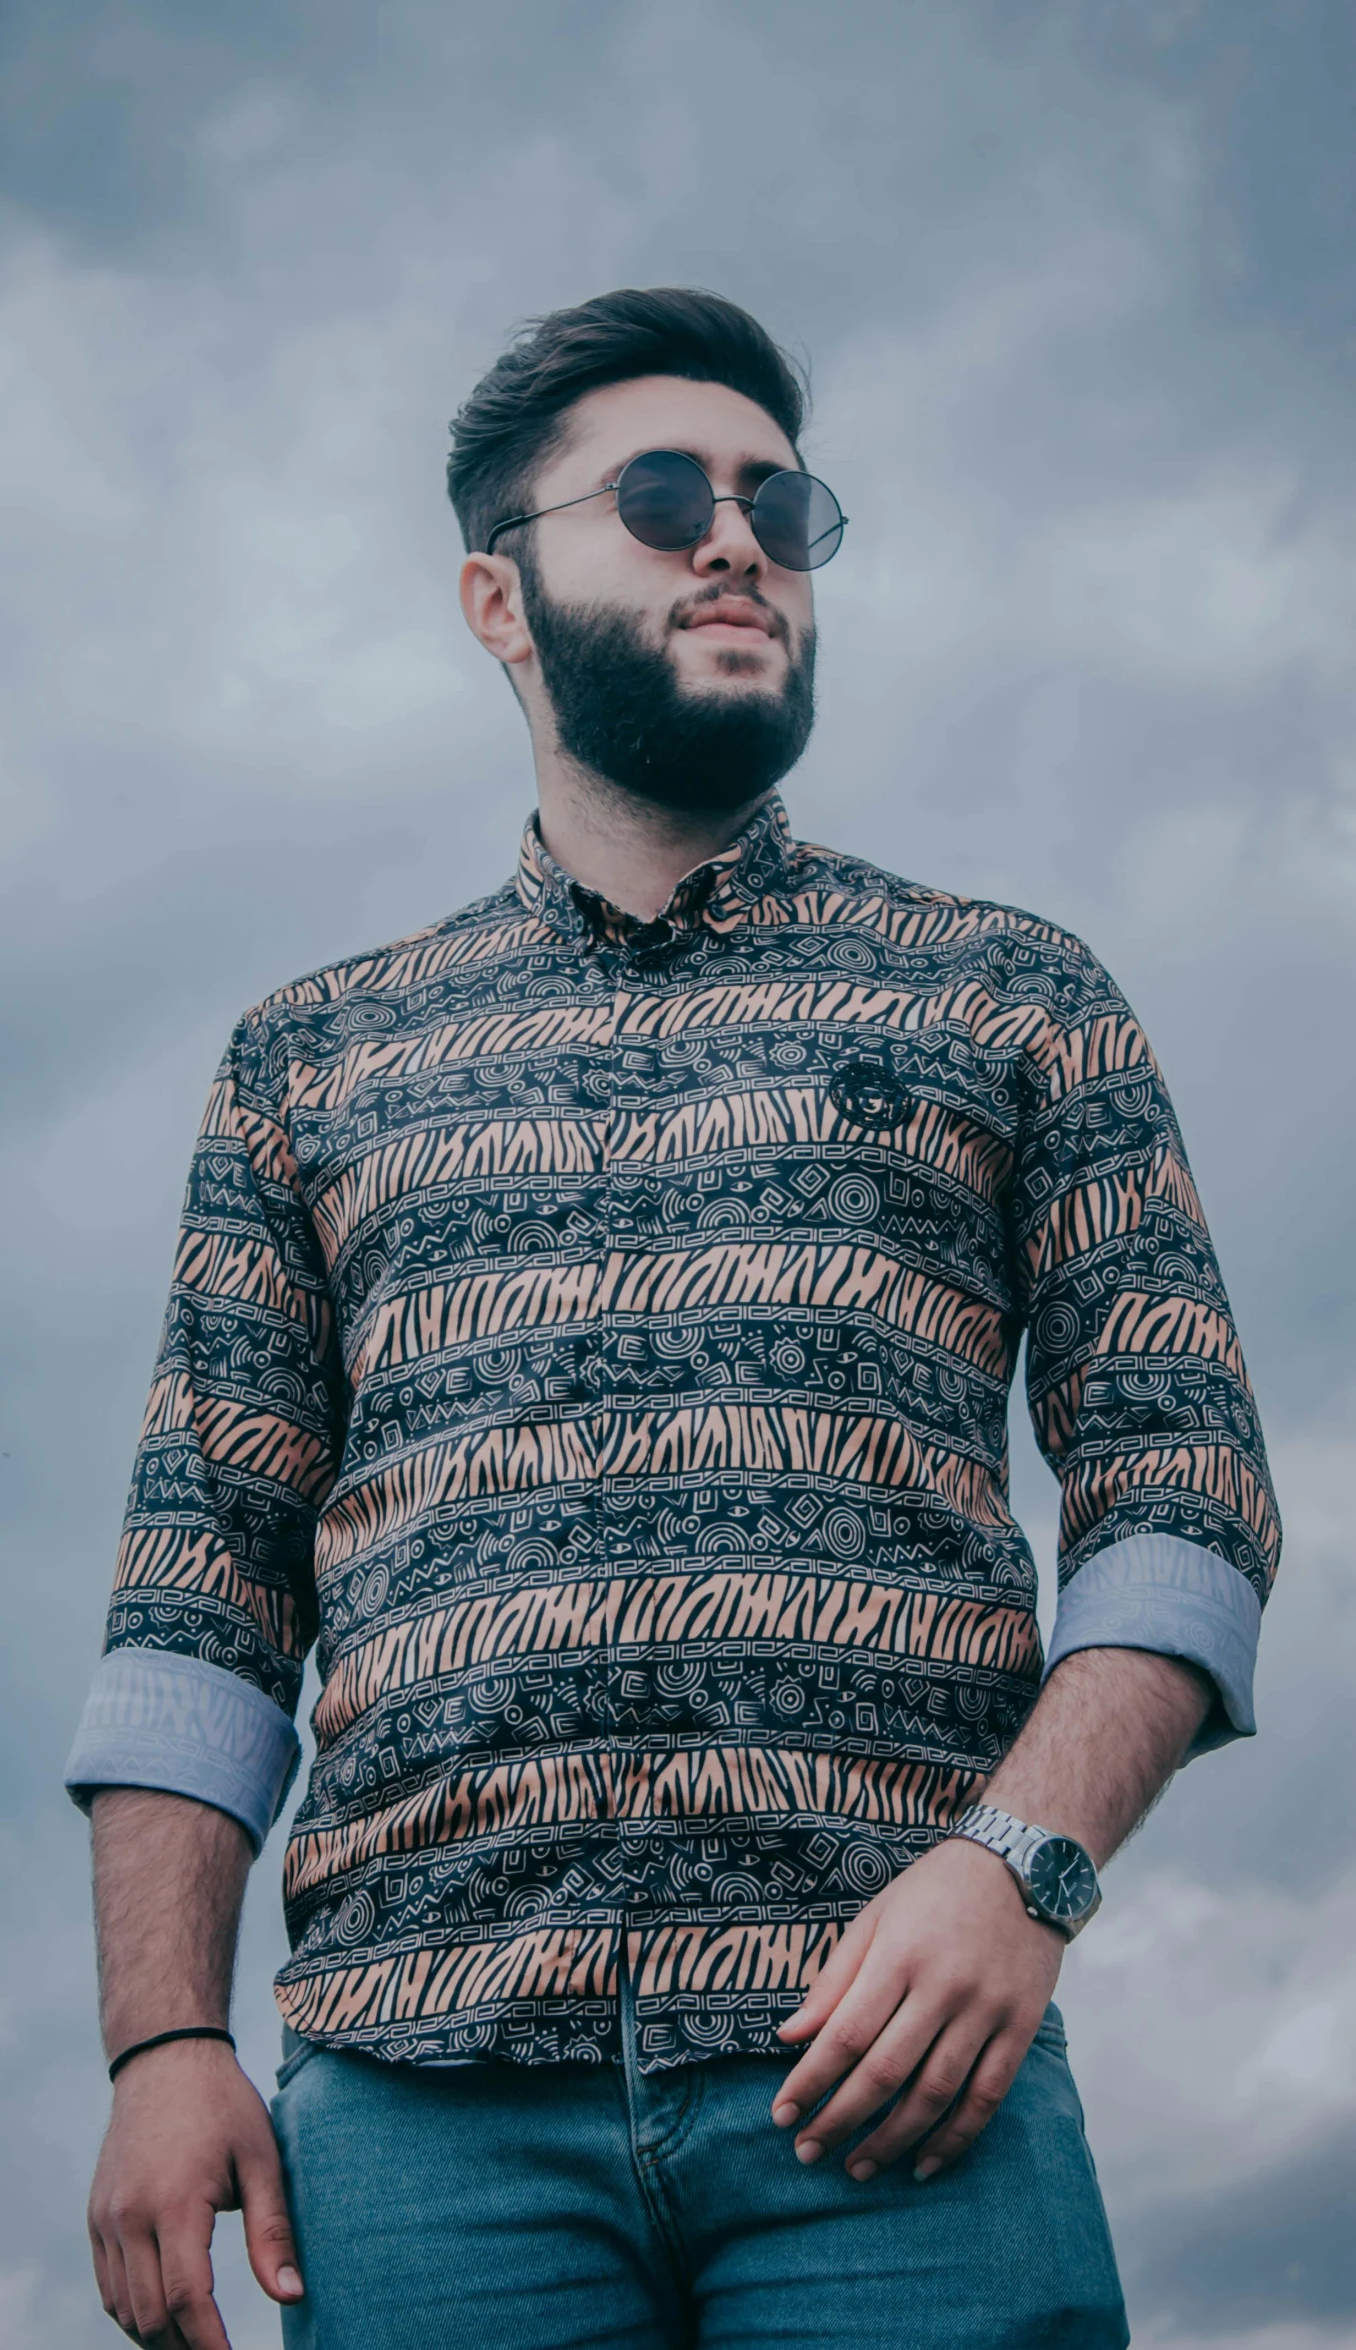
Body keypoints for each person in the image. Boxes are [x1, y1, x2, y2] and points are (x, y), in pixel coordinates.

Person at [66, 288, 1279, 2350]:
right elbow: (201, 1593)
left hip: (897, 2084)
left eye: (778, 503)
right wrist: (159, 2042)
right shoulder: (308, 1054)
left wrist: (1025, 1867)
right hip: (421, 2110)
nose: (738, 537)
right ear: (497, 595)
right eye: (660, 495)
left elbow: (1183, 1486)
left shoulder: (1010, 989)